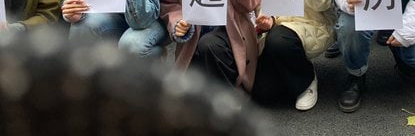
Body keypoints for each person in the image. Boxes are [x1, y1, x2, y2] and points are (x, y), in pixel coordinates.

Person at [0, 27, 267, 136]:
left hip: (148, 23)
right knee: (82, 27)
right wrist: (72, 8)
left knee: (132, 44)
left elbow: (147, 14)